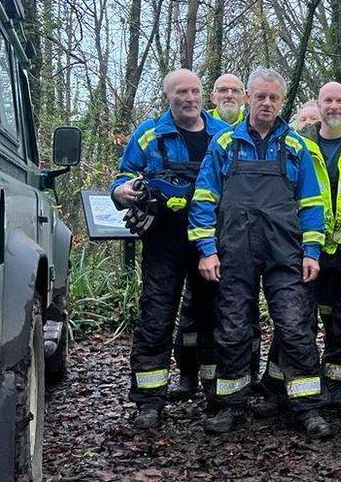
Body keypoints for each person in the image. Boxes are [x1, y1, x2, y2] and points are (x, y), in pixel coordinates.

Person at [188, 67, 332, 439]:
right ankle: (230, 405)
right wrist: (207, 250)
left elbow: (313, 204)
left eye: (273, 97)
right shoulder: (224, 145)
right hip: (233, 252)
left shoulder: (297, 146)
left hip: (286, 254)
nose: (266, 103)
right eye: (260, 96)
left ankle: (307, 407)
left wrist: (312, 251)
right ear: (248, 98)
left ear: (281, 102)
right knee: (233, 328)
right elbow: (203, 200)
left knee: (295, 326)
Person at [110, 68, 228, 429]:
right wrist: (122, 192)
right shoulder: (148, 134)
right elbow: (121, 177)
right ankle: (149, 399)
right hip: (163, 240)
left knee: (213, 315)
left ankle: (214, 390)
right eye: (181, 92)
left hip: (210, 240)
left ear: (202, 95)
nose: (189, 98)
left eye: (194, 91)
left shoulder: (222, 135)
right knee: (156, 316)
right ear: (168, 96)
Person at [170, 72, 248, 400]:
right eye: (222, 90)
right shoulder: (208, 130)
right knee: (191, 313)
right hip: (187, 235)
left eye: (234, 90)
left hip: (231, 236)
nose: (228, 95)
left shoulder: (247, 133)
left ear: (245, 95)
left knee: (229, 312)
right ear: (212, 97)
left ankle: (231, 379)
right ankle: (188, 375)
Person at [302, 81, 341, 410]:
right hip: (311, 248)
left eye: (339, 100)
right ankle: (306, 384)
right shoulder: (300, 144)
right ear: (319, 104)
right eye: (327, 100)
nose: (333, 106)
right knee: (304, 321)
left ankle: (339, 385)